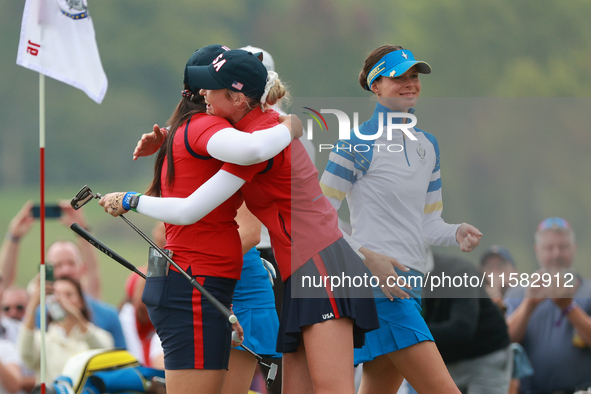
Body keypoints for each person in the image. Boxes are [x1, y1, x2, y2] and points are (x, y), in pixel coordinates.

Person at [100, 48, 380, 394]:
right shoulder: (253, 128)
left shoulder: (257, 141)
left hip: (320, 262)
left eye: (211, 88)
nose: (202, 94)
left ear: (237, 97)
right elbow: (211, 137)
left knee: (333, 390)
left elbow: (190, 208)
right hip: (301, 264)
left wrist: (130, 200)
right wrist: (168, 136)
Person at [318, 44, 482, 393]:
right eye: (398, 78)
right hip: (381, 288)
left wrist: (455, 232)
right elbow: (319, 217)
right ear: (375, 86)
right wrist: (367, 256)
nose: (410, 83)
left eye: (414, 76)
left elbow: (428, 223)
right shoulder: (354, 144)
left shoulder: (429, 145)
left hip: (411, 284)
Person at [0, 201, 126, 349]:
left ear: (82, 268)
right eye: (57, 265)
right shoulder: (36, 316)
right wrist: (14, 236)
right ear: (46, 272)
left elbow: (93, 272)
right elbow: (5, 285)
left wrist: (82, 228)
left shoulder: (105, 314)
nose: (65, 270)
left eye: (71, 263)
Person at [505, 217, 591, 393]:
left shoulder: (588, 291)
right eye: (549, 248)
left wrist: (568, 307)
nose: (556, 254)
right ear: (537, 250)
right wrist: (528, 305)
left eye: (563, 247)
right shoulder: (518, 294)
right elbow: (502, 342)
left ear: (574, 248)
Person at [422, 253, 512, 393]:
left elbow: (462, 328)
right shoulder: (395, 276)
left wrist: (407, 332)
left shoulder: (459, 270)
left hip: (485, 355)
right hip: (446, 361)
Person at [18, 277, 114, 382]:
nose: (61, 300)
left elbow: (104, 355)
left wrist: (77, 317)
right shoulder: (44, 339)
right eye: (56, 295)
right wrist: (33, 306)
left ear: (81, 302)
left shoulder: (99, 335)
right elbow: (26, 355)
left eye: (69, 295)